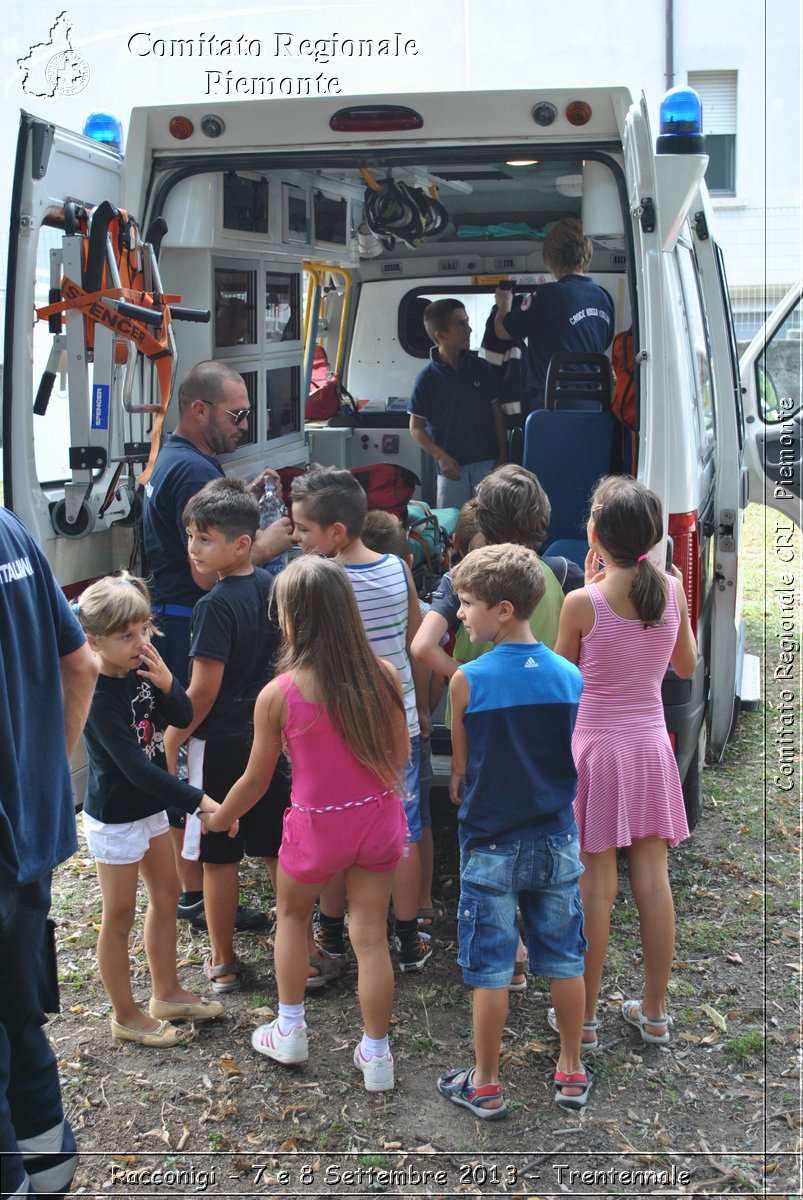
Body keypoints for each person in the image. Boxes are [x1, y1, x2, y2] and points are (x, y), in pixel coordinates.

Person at [201, 556, 410, 1091]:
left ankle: (290, 1029)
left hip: (316, 827)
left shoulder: (280, 693)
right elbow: (402, 757)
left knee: (292, 918)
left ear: (291, 619)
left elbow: (255, 780)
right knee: (370, 938)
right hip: (378, 819)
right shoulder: (384, 676)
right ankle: (378, 1056)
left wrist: (220, 818)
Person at [439, 544, 590, 1119]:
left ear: (503, 609)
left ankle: (485, 1081)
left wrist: (461, 781)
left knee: (492, 968)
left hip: (491, 843)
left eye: (468, 604)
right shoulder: (569, 676)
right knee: (565, 959)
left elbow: (461, 766)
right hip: (556, 837)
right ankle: (571, 1069)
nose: (460, 615)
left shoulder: (466, 682)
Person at [142, 359, 292, 930]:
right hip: (186, 624)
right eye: (237, 414)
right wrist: (265, 544)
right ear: (198, 409)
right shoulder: (190, 475)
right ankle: (196, 891)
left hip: (181, 619)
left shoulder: (175, 461)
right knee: (193, 763)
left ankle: (194, 891)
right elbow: (210, 573)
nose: (245, 426)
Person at [553, 476, 696, 1050]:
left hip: (596, 749)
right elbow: (684, 667)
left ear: (593, 533)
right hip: (650, 747)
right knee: (654, 885)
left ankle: (584, 1020)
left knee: (597, 890)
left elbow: (566, 683)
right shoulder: (672, 591)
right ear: (654, 536)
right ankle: (655, 1012)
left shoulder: (581, 602)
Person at [289, 467, 432, 972]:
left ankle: (329, 930)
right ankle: (409, 936)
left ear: (336, 533)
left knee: (337, 826)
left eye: (303, 529)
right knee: (404, 828)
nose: (297, 538)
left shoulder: (324, 582)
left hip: (341, 725)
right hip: (400, 718)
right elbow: (416, 641)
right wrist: (422, 707)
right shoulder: (398, 567)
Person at [74, 573, 226, 1046]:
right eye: (126, 636)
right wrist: (198, 802)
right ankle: (125, 1014)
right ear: (93, 640)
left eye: (144, 630)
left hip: (150, 810)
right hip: (117, 815)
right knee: (118, 914)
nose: (140, 643)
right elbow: (136, 769)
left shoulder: (142, 671)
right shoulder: (98, 694)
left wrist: (167, 682)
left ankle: (166, 992)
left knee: (165, 896)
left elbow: (181, 718)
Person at [0, 507, 98, 1199]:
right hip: (28, 836)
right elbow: (81, 663)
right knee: (17, 1015)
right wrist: (42, 781)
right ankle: (50, 1173)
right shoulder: (8, 527)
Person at [161, 478, 292, 994]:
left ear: (241, 543)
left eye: (205, 539)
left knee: (218, 854)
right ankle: (294, 946)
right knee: (276, 849)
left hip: (217, 745)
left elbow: (204, 690)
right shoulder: (272, 587)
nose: (193, 548)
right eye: (191, 536)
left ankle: (222, 961)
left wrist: (172, 740)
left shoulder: (213, 607)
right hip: (271, 738)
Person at [360, 510, 446, 930]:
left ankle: (357, 919)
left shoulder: (337, 583)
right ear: (408, 561)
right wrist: (425, 710)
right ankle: (418, 914)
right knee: (415, 819)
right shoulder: (403, 578)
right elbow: (420, 653)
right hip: (406, 720)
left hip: (356, 724)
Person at [493, 218, 614, 410]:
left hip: (553, 406)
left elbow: (503, 331)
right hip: (595, 404)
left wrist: (504, 303)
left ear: (550, 257)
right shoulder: (603, 298)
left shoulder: (547, 295)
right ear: (588, 253)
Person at [408, 299, 507, 507]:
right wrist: (440, 456)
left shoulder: (481, 368)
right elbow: (416, 427)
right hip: (451, 468)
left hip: (487, 463)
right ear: (440, 335)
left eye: (467, 322)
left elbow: (496, 413)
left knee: (489, 524)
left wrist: (503, 455)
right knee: (451, 527)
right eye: (461, 324)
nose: (469, 329)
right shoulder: (426, 379)